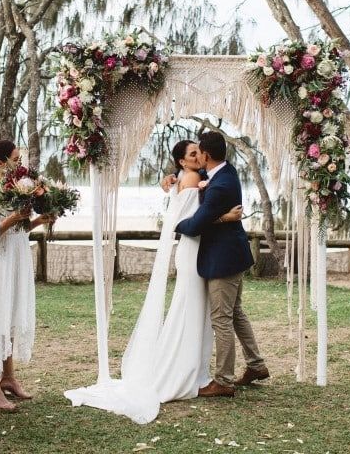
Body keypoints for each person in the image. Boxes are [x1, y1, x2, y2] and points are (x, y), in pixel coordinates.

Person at [64, 140, 242, 423]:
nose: (198, 156)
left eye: (199, 152)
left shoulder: (192, 176)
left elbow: (197, 202)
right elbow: (193, 221)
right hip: (193, 247)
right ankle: (187, 372)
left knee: (192, 310)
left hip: (193, 250)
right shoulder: (195, 177)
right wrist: (222, 217)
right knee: (192, 310)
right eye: (192, 154)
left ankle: (192, 369)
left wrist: (172, 180)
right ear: (183, 162)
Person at [175, 131, 269, 397]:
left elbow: (193, 226)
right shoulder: (224, 173)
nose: (197, 158)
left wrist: (174, 222)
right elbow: (202, 182)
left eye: (199, 153)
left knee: (222, 320)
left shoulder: (219, 187)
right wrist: (174, 180)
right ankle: (256, 365)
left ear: (205, 155)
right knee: (236, 313)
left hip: (223, 260)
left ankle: (224, 380)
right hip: (233, 255)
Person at [0, 140, 55, 411]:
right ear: (1, 163)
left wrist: (36, 221)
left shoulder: (13, 190)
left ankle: (9, 377)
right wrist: (12, 218)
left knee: (10, 318)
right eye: (16, 159)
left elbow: (18, 231)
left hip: (17, 260)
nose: (20, 165)